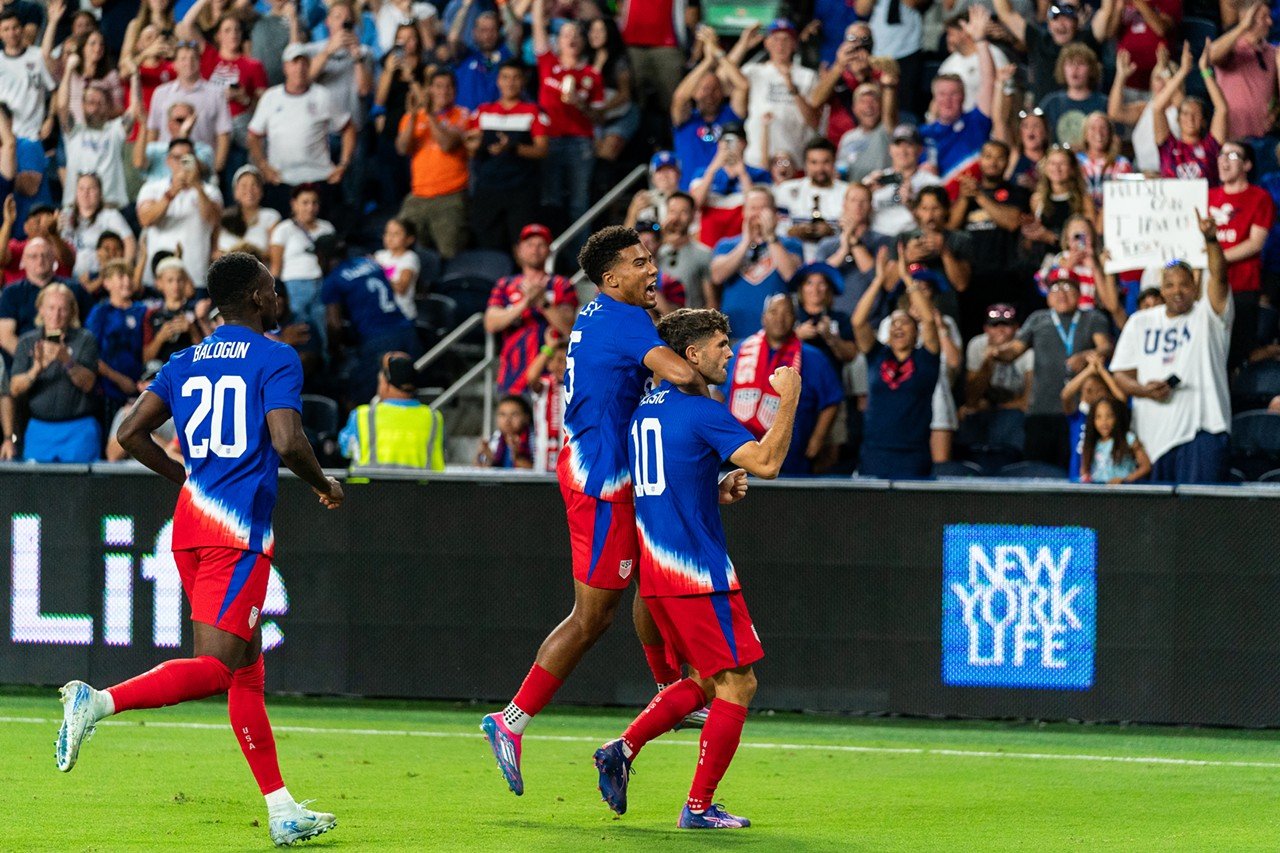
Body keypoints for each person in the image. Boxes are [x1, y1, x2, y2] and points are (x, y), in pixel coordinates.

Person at [54, 252, 344, 848]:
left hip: (191, 526)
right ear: (257, 298)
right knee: (216, 669)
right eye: (270, 285)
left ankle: (282, 808)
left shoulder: (185, 360)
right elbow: (288, 441)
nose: (277, 293)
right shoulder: (277, 355)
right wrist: (325, 485)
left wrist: (182, 477)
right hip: (235, 537)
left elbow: (130, 432)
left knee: (247, 672)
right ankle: (98, 701)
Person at [480, 225, 704, 798]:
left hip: (606, 468)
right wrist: (706, 402)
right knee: (593, 617)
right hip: (601, 480)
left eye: (651, 259)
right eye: (639, 263)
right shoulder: (627, 320)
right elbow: (679, 374)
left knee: (655, 579)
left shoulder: (600, 312)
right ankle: (511, 720)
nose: (651, 270)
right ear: (611, 278)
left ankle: (666, 691)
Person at [592, 307, 793, 830]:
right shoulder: (701, 410)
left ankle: (622, 748)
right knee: (739, 684)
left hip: (656, 574)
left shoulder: (644, 412)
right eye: (720, 344)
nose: (729, 351)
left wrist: (713, 485)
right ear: (692, 355)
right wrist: (788, 397)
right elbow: (768, 463)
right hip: (697, 573)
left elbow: (666, 478)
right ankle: (698, 808)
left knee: (705, 680)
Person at [1110, 219, 1233, 484]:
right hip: (1150, 438)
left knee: (1199, 517)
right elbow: (1121, 375)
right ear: (1161, 289)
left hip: (1201, 433)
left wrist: (1211, 241)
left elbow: (1220, 277)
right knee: (1156, 521)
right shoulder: (1140, 321)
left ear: (1195, 287)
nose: (1177, 291)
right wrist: (1144, 390)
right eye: (1170, 285)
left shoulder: (1209, 316)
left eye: (1184, 285)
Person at [992, 274, 1112, 468]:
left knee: (1076, 468)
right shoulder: (1038, 319)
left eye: (1067, 288)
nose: (1061, 294)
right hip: (1041, 411)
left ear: (1079, 293)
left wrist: (1086, 355)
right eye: (1055, 289)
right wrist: (997, 353)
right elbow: (1014, 350)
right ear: (1047, 296)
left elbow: (1105, 347)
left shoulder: (1093, 317)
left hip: (1080, 413)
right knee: (1035, 471)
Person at [727, 293, 842, 476]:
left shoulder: (813, 357)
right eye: (774, 312)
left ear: (795, 319)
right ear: (763, 318)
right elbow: (720, 392)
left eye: (786, 313)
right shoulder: (740, 350)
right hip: (739, 451)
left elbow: (832, 400)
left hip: (791, 454)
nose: (779, 318)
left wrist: (818, 438)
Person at [853, 248, 942, 478]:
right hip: (874, 451)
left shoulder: (926, 359)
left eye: (905, 324)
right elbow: (858, 321)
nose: (898, 327)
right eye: (894, 324)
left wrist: (906, 278)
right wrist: (880, 280)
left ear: (916, 333)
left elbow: (930, 320)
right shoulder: (877, 355)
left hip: (913, 454)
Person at [247, 44, 354, 217]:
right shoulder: (271, 97)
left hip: (318, 178)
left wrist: (343, 163)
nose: (299, 68)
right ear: (285, 67)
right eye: (294, 63)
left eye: (304, 63)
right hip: (282, 179)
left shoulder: (322, 95)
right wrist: (263, 165)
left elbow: (348, 128)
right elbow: (253, 136)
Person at [531, 0, 603, 233]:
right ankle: (553, 260)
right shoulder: (548, 63)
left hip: (580, 144)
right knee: (551, 202)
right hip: (549, 141)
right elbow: (538, 29)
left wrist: (580, 104)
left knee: (578, 205)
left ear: (582, 42)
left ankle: (579, 263)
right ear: (558, 42)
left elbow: (599, 117)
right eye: (565, 35)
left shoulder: (591, 74)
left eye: (575, 35)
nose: (571, 38)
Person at [319, 240, 420, 403]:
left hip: (377, 339)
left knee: (358, 398)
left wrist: (335, 351)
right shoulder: (370, 263)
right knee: (407, 393)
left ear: (323, 257)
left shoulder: (333, 280)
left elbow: (334, 325)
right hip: (407, 330)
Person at [466, 59, 549, 252]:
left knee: (522, 246)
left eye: (515, 78)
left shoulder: (533, 112)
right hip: (488, 189)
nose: (510, 82)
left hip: (521, 191)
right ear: (498, 81)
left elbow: (542, 150)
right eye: (505, 77)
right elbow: (470, 147)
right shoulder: (483, 111)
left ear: (523, 82)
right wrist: (475, 144)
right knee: (487, 244)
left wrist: (512, 148)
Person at [10, 283, 100, 462]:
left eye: (62, 309)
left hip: (79, 429)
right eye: (51, 308)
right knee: (36, 487)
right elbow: (14, 389)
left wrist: (67, 361)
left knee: (82, 488)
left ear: (72, 311)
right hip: (39, 429)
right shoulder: (27, 342)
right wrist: (36, 369)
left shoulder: (85, 339)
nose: (56, 315)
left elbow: (89, 384)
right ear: (41, 310)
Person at [484, 223, 577, 394]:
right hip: (513, 374)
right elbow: (491, 323)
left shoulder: (562, 285)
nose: (535, 250)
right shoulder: (505, 285)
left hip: (553, 376)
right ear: (519, 250)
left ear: (549, 250)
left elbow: (568, 327)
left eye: (541, 245)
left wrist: (543, 303)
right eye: (529, 245)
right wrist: (525, 304)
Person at [949, 140, 1029, 336]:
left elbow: (1012, 222)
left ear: (1007, 162)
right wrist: (964, 198)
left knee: (1007, 335)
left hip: (1007, 278)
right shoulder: (965, 197)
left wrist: (979, 196)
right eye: (988, 156)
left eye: (999, 157)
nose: (993, 162)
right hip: (972, 281)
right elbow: (950, 228)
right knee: (973, 336)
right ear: (980, 161)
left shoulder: (1017, 193)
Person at [1208, 140, 1273, 370]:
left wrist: (1217, 257)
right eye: (1221, 155)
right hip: (1210, 288)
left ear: (1247, 164)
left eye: (1233, 156)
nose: (1224, 160)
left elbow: (1255, 243)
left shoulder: (1259, 198)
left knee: (1237, 355)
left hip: (1242, 287)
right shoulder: (1207, 196)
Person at [709, 187, 803, 341]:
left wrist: (771, 237)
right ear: (744, 212)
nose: (758, 214)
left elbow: (792, 275)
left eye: (764, 208)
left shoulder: (791, 244)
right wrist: (746, 242)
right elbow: (717, 276)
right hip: (733, 335)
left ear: (774, 212)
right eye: (753, 208)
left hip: (778, 337)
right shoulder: (726, 245)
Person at [920, 7, 996, 195]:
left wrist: (980, 40)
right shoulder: (923, 134)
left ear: (963, 97)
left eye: (953, 94)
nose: (947, 100)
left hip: (973, 199)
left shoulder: (975, 122)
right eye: (942, 94)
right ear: (934, 98)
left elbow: (988, 81)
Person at [396, 68, 470, 258]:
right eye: (438, 86)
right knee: (403, 248)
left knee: (450, 253)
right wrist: (413, 115)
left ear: (455, 90)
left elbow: (447, 144)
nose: (443, 91)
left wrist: (429, 115)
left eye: (448, 87)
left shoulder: (462, 115)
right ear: (429, 89)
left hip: (450, 197)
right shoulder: (412, 117)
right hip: (418, 195)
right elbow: (403, 148)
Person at [135, 138, 223, 288]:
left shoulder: (210, 191)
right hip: (158, 278)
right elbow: (145, 220)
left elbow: (213, 220)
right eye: (177, 158)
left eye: (187, 157)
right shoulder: (151, 188)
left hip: (196, 276)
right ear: (168, 160)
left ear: (195, 160)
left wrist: (196, 185)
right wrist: (171, 192)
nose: (182, 162)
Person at [669, 25, 748, 191]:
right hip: (691, 193)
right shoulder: (686, 120)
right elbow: (679, 97)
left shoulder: (731, 115)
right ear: (695, 93)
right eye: (704, 89)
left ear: (722, 93)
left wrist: (717, 52)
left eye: (715, 89)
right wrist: (707, 62)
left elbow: (743, 86)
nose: (709, 94)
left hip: (726, 192)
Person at [339, 350, 445, 470]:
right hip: (419, 488)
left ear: (384, 383)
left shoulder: (363, 415)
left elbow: (345, 450)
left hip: (368, 488)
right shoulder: (434, 418)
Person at [741, 19, 819, 170]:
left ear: (794, 44)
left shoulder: (808, 76)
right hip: (756, 161)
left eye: (786, 39)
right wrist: (743, 43)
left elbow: (814, 121)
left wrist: (792, 88)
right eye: (775, 39)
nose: (780, 44)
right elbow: (724, 79)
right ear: (766, 43)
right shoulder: (753, 71)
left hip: (794, 161)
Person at [145, 40, 231, 173]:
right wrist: (150, 165)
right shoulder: (160, 93)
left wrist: (216, 169)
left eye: (193, 58)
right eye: (183, 58)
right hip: (166, 169)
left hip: (201, 166)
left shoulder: (215, 93)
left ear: (200, 61)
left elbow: (223, 134)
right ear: (174, 64)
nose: (189, 63)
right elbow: (152, 131)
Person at [1152, 42, 1228, 186]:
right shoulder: (1168, 146)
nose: (1190, 118)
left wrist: (1205, 70)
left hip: (1205, 206)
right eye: (1185, 113)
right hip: (1173, 206)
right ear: (1178, 119)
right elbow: (1157, 108)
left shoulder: (1211, 146)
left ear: (1204, 121)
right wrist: (1182, 71)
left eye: (1196, 114)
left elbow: (1222, 109)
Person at [269, 185, 335, 351]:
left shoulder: (327, 228)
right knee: (299, 332)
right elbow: (276, 267)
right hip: (293, 288)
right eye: (305, 202)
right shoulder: (283, 229)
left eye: (314, 203)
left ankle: (325, 366)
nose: (310, 207)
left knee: (323, 329)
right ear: (294, 204)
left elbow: (332, 262)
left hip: (321, 284)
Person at [0, 234, 89, 355]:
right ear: (24, 261)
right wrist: (33, 359)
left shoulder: (75, 289)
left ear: (54, 259)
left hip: (71, 359)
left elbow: (89, 329)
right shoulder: (11, 292)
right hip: (25, 363)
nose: (40, 260)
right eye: (33, 256)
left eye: (45, 255)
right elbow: (5, 336)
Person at [84, 260, 148, 428]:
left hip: (140, 387)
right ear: (106, 283)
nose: (126, 280)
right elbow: (90, 353)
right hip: (108, 390)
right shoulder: (100, 313)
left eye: (129, 276)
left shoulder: (142, 310)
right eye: (120, 276)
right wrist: (119, 380)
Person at [818, 182, 895, 317]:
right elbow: (819, 277)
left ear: (871, 207)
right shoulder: (827, 244)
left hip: (872, 321)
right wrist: (843, 251)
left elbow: (880, 279)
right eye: (853, 200)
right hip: (835, 321)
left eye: (863, 201)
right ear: (844, 204)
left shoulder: (884, 241)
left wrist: (854, 242)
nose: (858, 205)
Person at [1209, 2, 1276, 141]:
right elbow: (1212, 56)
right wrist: (1243, 27)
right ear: (1247, 18)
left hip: (1264, 137)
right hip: (1232, 137)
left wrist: (1276, 112)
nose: (1270, 22)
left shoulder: (1273, 52)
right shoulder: (1231, 49)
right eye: (1264, 17)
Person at [773, 138, 848, 260]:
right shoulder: (786, 189)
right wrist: (791, 232)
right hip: (793, 257)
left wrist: (832, 232)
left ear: (834, 162)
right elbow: (775, 228)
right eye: (814, 162)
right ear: (805, 164)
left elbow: (858, 231)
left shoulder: (847, 192)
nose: (820, 168)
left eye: (825, 162)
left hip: (835, 258)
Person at [867, 124, 942, 238]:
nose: (903, 151)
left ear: (920, 149)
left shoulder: (932, 183)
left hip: (913, 238)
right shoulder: (875, 180)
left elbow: (939, 224)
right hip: (876, 238)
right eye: (898, 145)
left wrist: (911, 203)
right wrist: (867, 194)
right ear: (890, 149)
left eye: (909, 145)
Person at [62, 173, 137, 283]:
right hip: (69, 278)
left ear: (100, 193)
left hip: (100, 278)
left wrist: (124, 270)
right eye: (81, 188)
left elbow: (130, 242)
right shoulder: (66, 215)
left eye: (91, 189)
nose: (86, 193)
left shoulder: (110, 215)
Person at [963, 302, 1033, 415]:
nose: (1000, 330)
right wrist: (988, 362)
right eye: (994, 325)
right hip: (990, 404)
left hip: (1016, 410)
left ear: (1016, 327)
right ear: (986, 328)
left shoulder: (1026, 346)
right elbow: (971, 399)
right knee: (966, 413)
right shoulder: (977, 345)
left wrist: (994, 408)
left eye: (1006, 325)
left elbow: (1029, 401)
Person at [0, 9, 56, 140]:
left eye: (15, 28)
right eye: (6, 29)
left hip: (34, 135)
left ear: (22, 29)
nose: (11, 33)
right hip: (6, 138)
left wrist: (50, 118)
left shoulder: (37, 56)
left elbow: (54, 90)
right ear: (0, 33)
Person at [143, 255, 208, 366]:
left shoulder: (196, 310)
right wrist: (160, 338)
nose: (176, 285)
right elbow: (145, 358)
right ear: (159, 283)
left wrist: (192, 330)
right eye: (170, 280)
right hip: (161, 373)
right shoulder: (152, 314)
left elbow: (208, 354)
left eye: (180, 280)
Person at [1038, 44, 1107, 145]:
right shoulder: (1051, 103)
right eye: (1070, 64)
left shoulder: (1103, 103)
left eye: (1081, 64)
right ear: (1062, 69)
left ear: (1091, 69)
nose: (1075, 69)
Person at [657, 192, 712, 310]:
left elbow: (712, 303)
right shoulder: (655, 253)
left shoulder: (704, 254)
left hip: (690, 324)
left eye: (683, 212)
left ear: (693, 216)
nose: (676, 218)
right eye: (672, 211)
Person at [1079, 395, 1152, 483]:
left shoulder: (1128, 438)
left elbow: (1146, 466)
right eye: (1098, 417)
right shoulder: (1092, 443)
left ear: (1117, 417)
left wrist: (1125, 480)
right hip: (1099, 492)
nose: (1104, 421)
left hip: (1122, 492)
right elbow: (1084, 470)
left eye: (1109, 416)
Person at [215, 165, 281, 259]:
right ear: (235, 192)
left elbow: (274, 253)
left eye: (254, 185)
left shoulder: (270, 216)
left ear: (261, 191)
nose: (249, 190)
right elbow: (214, 252)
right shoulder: (224, 217)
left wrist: (245, 255)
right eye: (244, 185)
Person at [374, 217, 420, 320]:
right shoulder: (379, 255)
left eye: (396, 234)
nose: (389, 238)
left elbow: (401, 288)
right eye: (387, 233)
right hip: (381, 313)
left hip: (403, 314)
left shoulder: (410, 257)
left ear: (409, 239)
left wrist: (377, 274)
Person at [477, 393, 534, 468]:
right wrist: (486, 457)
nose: (507, 420)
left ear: (526, 418)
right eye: (502, 414)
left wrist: (518, 458)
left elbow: (540, 474)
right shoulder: (494, 439)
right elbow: (480, 468)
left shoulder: (535, 441)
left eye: (514, 414)